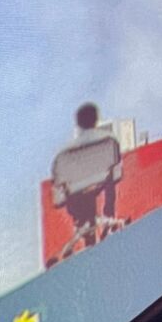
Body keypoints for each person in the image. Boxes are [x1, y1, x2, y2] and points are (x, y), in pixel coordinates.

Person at [53, 102, 120, 239]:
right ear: (96, 119)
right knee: (107, 178)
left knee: (78, 192)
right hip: (103, 182)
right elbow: (116, 169)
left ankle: (83, 225)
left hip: (77, 194)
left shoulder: (64, 152)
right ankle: (109, 215)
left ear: (78, 123)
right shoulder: (109, 139)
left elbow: (59, 188)